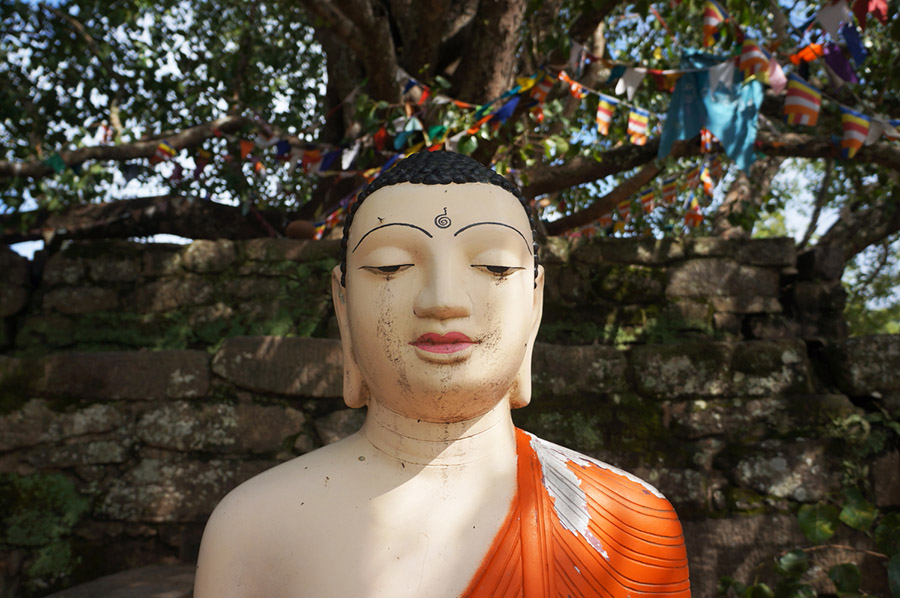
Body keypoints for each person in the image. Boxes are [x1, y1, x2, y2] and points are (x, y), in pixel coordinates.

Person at [194, 151, 690, 597]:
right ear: (342, 305)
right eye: (391, 266)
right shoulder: (255, 528)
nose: (444, 300)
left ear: (535, 303)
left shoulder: (629, 522)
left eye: (494, 266)